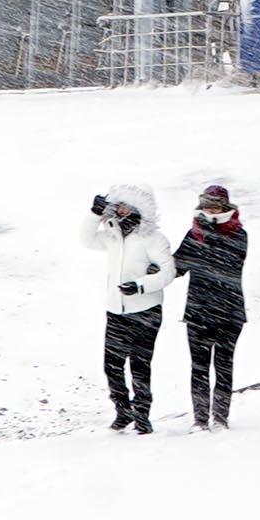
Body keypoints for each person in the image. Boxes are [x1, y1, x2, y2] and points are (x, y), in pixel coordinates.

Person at [83, 183, 173, 434]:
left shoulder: (153, 238)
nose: (121, 210)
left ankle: (142, 416)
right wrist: (94, 214)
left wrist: (141, 286)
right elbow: (86, 240)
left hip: (146, 311)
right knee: (111, 365)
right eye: (118, 205)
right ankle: (123, 412)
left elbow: (168, 271)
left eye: (127, 206)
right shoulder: (112, 236)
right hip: (116, 311)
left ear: (139, 208)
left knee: (140, 366)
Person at [170, 183, 250, 430]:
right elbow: (179, 266)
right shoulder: (194, 233)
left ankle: (220, 418)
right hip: (198, 311)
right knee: (199, 367)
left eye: (215, 206)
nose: (211, 210)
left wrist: (204, 236)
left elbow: (227, 263)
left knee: (224, 365)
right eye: (206, 206)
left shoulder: (239, 234)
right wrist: (152, 269)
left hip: (229, 311)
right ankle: (200, 419)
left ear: (225, 207)